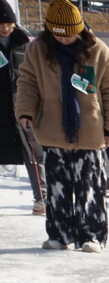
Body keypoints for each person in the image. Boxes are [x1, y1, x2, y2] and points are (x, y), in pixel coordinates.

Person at [15, 0, 109, 252]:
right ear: (49, 31)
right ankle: (59, 234)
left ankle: (92, 235)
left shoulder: (98, 50)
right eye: (58, 35)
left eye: (70, 34)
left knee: (90, 188)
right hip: (52, 130)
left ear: (80, 29)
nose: (65, 40)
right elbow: (27, 82)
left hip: (90, 131)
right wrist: (26, 111)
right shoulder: (38, 50)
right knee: (57, 188)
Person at [0, 0, 45, 216]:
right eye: (1, 23)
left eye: (8, 23)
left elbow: (35, 75)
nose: (4, 28)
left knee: (33, 153)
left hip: (22, 106)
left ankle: (42, 198)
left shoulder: (24, 43)